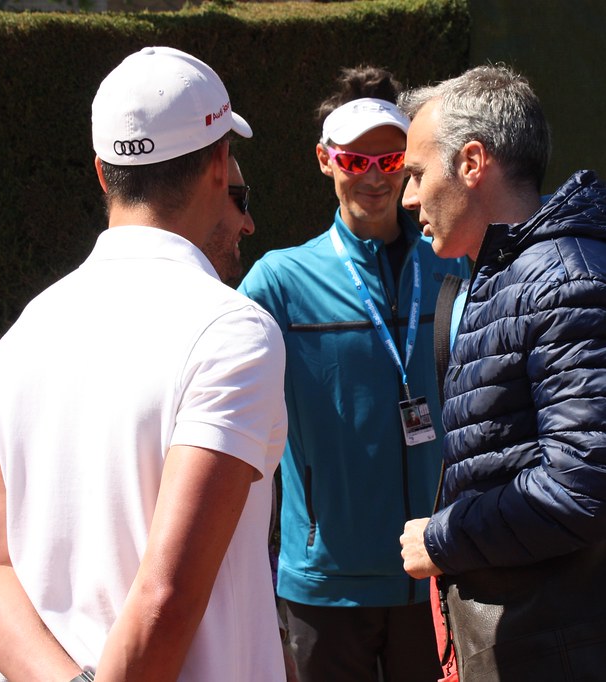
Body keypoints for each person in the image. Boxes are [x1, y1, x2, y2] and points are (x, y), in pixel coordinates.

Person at [0, 46, 288, 681]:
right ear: (219, 164)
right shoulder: (234, 331)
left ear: (103, 174)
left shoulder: (24, 332)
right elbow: (164, 597)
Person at [397, 64, 606, 681]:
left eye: (416, 173)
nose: (408, 197)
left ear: (472, 163)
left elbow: (587, 488)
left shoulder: (569, 279)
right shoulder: (510, 273)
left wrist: (444, 538)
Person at [238, 66, 468, 682]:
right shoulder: (279, 282)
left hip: (437, 562)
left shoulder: (453, 264)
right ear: (325, 161)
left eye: (389, 161)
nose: (373, 177)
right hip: (326, 583)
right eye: (354, 161)